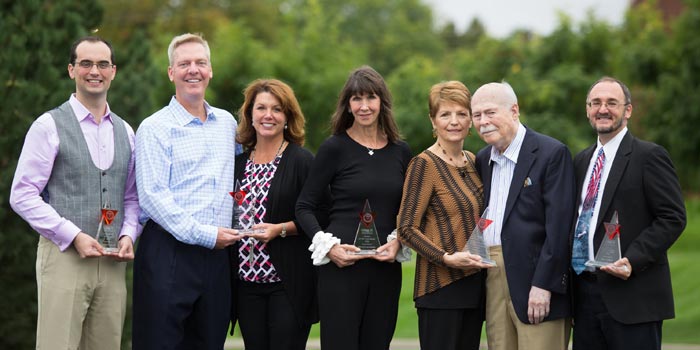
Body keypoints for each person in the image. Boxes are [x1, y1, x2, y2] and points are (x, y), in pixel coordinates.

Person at [9, 36, 139, 349]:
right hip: (64, 255)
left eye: (102, 64)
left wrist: (129, 235)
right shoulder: (49, 126)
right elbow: (22, 194)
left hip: (111, 263)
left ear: (113, 71)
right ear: (71, 70)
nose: (95, 70)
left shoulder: (127, 132)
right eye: (86, 63)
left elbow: (132, 198)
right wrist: (72, 234)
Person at [132, 33, 242, 349]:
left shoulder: (227, 124)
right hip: (168, 254)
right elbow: (153, 197)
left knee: (209, 342)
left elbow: (238, 182)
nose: (193, 70)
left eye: (200, 62)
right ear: (171, 73)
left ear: (210, 70)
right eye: (184, 64)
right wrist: (207, 235)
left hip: (217, 259)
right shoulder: (154, 128)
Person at [295, 65, 412, 350]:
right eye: (356, 98)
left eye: (370, 98)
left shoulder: (401, 151)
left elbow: (409, 211)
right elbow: (304, 207)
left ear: (382, 102)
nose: (364, 106)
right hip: (341, 271)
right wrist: (329, 248)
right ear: (347, 105)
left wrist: (399, 243)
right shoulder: (334, 148)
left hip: (385, 272)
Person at [570, 77, 686, 350]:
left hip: (633, 296)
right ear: (587, 110)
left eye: (612, 103)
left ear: (628, 110)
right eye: (596, 103)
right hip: (584, 297)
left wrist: (632, 260)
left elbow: (673, 217)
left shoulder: (649, 156)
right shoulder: (581, 161)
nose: (603, 109)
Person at [472, 82, 575, 350]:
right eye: (477, 115)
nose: (483, 122)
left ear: (514, 110)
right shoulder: (483, 160)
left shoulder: (552, 153)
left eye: (490, 112)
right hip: (493, 277)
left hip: (537, 283)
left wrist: (544, 284)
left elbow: (560, 229)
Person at [397, 81, 491, 350]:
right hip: (439, 288)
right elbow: (406, 228)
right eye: (445, 114)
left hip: (474, 286)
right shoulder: (423, 165)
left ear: (471, 119)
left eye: (462, 113)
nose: (454, 121)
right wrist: (447, 258)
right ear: (433, 121)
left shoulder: (474, 161)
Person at [230, 79, 321, 350]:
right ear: (250, 115)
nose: (268, 115)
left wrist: (281, 229)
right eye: (261, 108)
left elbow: (322, 214)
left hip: (287, 284)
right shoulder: (237, 164)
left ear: (287, 117)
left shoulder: (302, 161)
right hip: (246, 284)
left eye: (277, 109)